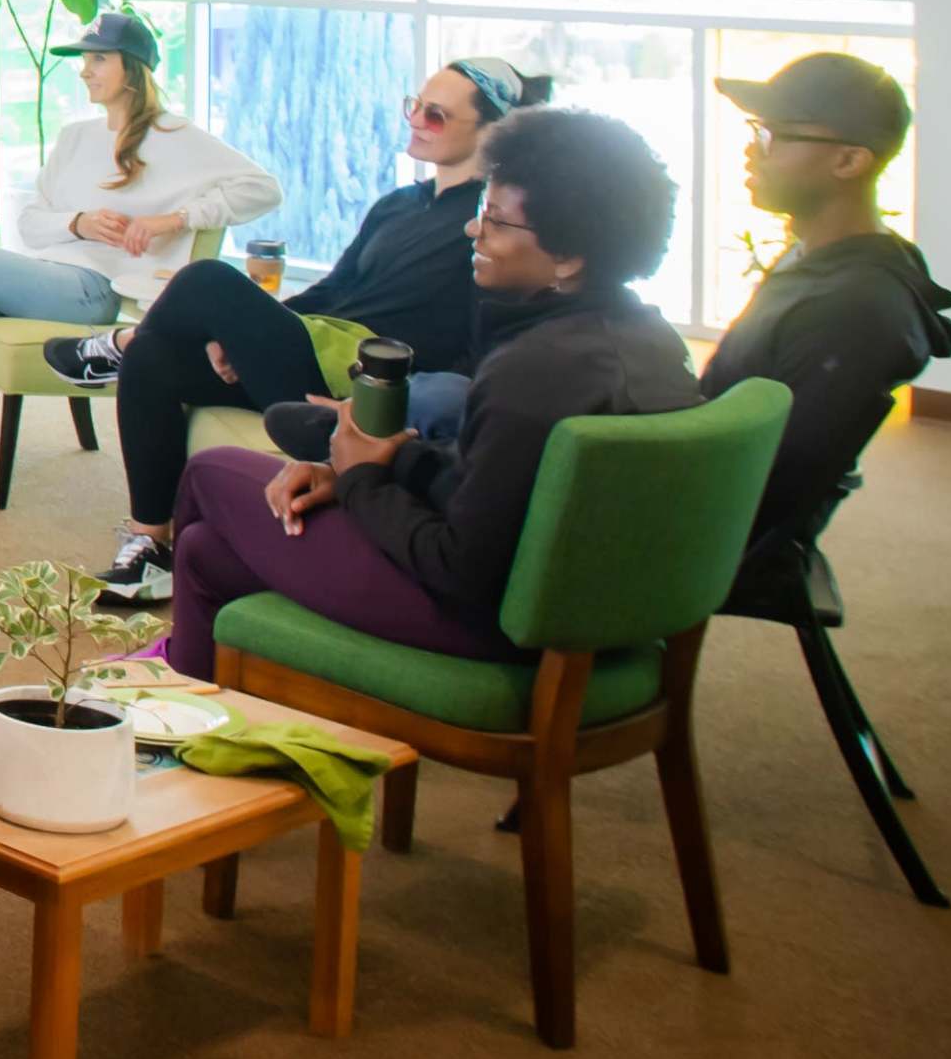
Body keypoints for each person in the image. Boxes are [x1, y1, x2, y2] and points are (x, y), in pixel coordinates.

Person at [155, 108, 700, 677]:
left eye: (494, 221)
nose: (473, 229)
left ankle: (179, 712)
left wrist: (363, 480)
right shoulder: (654, 343)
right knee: (205, 554)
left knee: (212, 473)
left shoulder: (531, 374)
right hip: (602, 613)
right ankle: (202, 699)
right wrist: (365, 470)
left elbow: (459, 567)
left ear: (569, 254)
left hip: (499, 624)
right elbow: (502, 489)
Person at [46, 56, 551, 592]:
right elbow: (332, 290)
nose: (416, 121)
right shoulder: (399, 204)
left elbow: (479, 341)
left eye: (437, 116)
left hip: (361, 384)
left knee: (208, 278)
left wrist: (401, 407)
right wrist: (239, 332)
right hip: (310, 350)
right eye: (415, 106)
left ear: (491, 131)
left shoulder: (489, 231)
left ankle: (115, 346)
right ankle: (150, 548)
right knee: (157, 359)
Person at [0, 10, 280, 508]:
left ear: (135, 68)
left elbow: (263, 190)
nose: (84, 70)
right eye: (84, 59)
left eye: (99, 59)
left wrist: (176, 219)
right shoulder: (76, 137)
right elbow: (30, 223)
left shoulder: (176, 137)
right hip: (44, 273)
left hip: (92, 289)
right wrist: (77, 222)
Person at [698, 54, 951, 614]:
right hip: (697, 467)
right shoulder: (816, 258)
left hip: (701, 526)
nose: (751, 148)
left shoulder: (855, 309)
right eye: (754, 129)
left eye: (772, 135)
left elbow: (764, 485)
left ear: (848, 160)